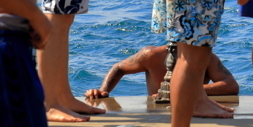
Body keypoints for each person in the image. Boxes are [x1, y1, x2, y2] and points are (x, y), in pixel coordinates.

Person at [84, 45, 238, 101]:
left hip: (193, 107)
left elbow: (231, 86)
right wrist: (103, 91)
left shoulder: (205, 57)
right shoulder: (152, 55)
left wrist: (187, 91)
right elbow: (119, 68)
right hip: (158, 112)